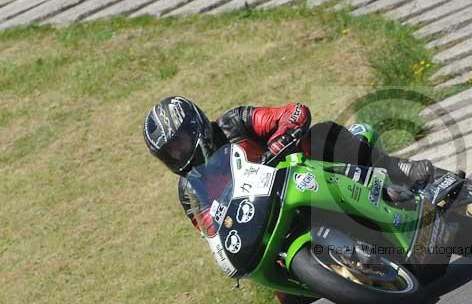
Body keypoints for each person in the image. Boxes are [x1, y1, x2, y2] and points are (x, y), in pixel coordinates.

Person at [143, 96, 434, 224]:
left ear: (194, 127)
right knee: (289, 298)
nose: (178, 155)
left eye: (179, 144)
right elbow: (211, 231)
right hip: (267, 218)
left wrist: (280, 140)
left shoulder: (234, 122)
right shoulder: (190, 190)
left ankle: (398, 169)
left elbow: (292, 112)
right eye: (170, 153)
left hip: (303, 175)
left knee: (322, 134)